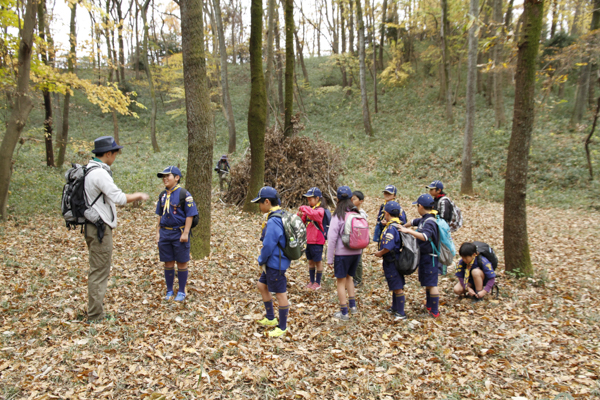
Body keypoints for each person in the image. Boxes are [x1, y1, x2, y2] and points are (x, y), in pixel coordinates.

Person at [83, 136, 149, 323]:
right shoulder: (99, 173)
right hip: (99, 228)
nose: (116, 156)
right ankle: (95, 316)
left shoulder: (91, 169)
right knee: (99, 271)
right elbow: (118, 198)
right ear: (108, 153)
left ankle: (95, 312)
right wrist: (138, 195)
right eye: (115, 153)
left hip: (93, 226)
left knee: (98, 269)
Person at [155, 166, 199, 302]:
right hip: (165, 233)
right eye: (163, 176)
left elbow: (190, 215)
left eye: (167, 176)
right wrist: (157, 232)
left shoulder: (184, 194)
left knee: (181, 262)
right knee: (168, 262)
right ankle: (169, 290)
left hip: (179, 233)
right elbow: (159, 214)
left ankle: (181, 291)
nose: (165, 179)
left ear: (177, 178)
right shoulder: (163, 195)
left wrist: (185, 233)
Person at [252, 186, 290, 338]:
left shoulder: (274, 220)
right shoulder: (279, 214)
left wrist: (261, 259)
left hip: (275, 262)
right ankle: (270, 317)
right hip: (274, 261)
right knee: (262, 285)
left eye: (259, 203)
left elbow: (269, 244)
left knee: (280, 293)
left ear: (267, 202)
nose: (259, 206)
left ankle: (282, 327)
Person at [398, 194, 441, 318]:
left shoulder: (430, 222)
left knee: (432, 284)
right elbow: (413, 221)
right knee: (427, 282)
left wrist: (409, 231)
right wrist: (402, 226)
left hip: (430, 257)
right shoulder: (424, 219)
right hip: (424, 256)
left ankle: (435, 311)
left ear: (421, 206)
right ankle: (429, 305)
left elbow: (425, 236)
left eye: (417, 206)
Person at [327, 186, 361, 321]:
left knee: (340, 282)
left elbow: (332, 238)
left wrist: (330, 259)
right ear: (351, 199)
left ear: (337, 199)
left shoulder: (338, 216)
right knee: (350, 278)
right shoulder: (357, 213)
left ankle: (344, 312)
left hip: (342, 254)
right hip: (357, 252)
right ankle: (353, 307)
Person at [374, 201, 407, 320]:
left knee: (397, 286)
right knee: (393, 284)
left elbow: (388, 246)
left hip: (392, 260)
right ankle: (395, 307)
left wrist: (380, 253)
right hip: (393, 259)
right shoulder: (396, 225)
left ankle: (401, 312)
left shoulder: (392, 228)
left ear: (387, 214)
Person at [298, 187, 328, 290]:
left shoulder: (320, 210)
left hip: (317, 240)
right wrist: (301, 215)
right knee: (310, 261)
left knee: (318, 261)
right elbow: (302, 222)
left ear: (317, 199)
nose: (309, 201)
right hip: (308, 239)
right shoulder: (309, 209)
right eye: (308, 199)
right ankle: (311, 281)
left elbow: (315, 215)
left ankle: (318, 282)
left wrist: (304, 208)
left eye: (311, 199)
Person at [351, 191, 367, 287]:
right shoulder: (350, 211)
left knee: (358, 259)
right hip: (351, 239)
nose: (352, 200)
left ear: (361, 201)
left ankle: (358, 279)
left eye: (355, 199)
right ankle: (352, 277)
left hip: (359, 239)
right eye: (351, 198)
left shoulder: (361, 214)